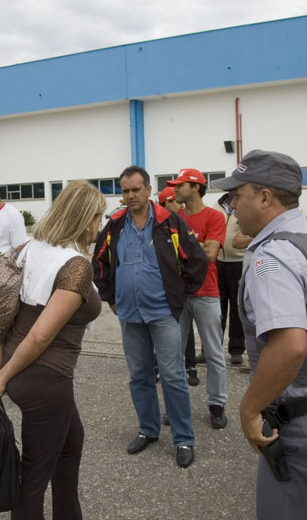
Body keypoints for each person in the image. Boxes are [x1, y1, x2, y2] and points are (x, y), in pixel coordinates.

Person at [213, 149, 307, 519]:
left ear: (264, 197)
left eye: (236, 196)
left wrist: (249, 409)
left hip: (304, 423)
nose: (231, 205)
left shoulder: (272, 259)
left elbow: (290, 347)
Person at [0, 180, 106, 520]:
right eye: (98, 217)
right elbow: (39, 336)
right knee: (33, 479)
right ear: (84, 219)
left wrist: (0, 361)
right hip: (43, 378)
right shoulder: (75, 267)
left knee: (70, 443)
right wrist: (1, 375)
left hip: (24, 369)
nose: (100, 225)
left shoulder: (32, 248)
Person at [94, 166, 207, 468]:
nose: (130, 196)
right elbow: (100, 263)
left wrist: (179, 296)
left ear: (147, 190)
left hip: (163, 313)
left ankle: (183, 438)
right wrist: (110, 297)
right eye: (125, 190)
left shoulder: (169, 222)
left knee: (172, 376)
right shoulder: (115, 225)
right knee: (140, 376)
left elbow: (196, 261)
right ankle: (148, 430)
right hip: (130, 315)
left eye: (135, 189)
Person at [168, 168, 229, 429]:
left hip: (207, 293)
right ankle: (177, 408)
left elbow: (211, 254)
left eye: (180, 185)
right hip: (179, 296)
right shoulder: (173, 218)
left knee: (214, 353)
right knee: (174, 355)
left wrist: (184, 247)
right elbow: (168, 256)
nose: (175, 190)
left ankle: (217, 404)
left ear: (195, 188)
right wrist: (197, 245)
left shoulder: (215, 217)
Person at [158, 186, 200, 387]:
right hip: (163, 294)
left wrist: (184, 288)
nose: (180, 205)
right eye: (176, 202)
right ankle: (162, 368)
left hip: (179, 291)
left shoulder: (180, 223)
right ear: (167, 202)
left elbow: (196, 257)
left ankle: (190, 366)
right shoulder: (158, 225)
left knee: (186, 331)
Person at [214, 192, 250, 367]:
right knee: (216, 309)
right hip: (218, 262)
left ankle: (236, 350)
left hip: (238, 263)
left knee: (237, 308)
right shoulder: (216, 206)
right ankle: (211, 349)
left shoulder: (244, 205)